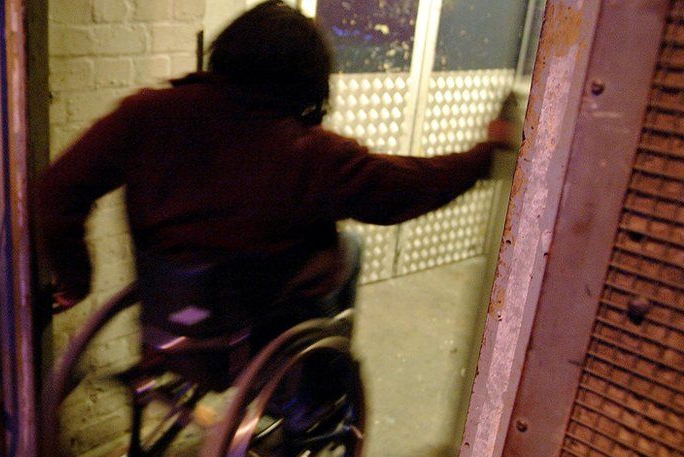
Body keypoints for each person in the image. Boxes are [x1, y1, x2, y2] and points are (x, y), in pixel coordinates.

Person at [34, 0, 514, 328]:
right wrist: (483, 154)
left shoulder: (146, 114)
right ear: (308, 78)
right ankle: (313, 400)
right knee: (349, 249)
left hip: (172, 303)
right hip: (250, 315)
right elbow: (405, 188)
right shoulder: (314, 153)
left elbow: (56, 190)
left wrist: (77, 279)